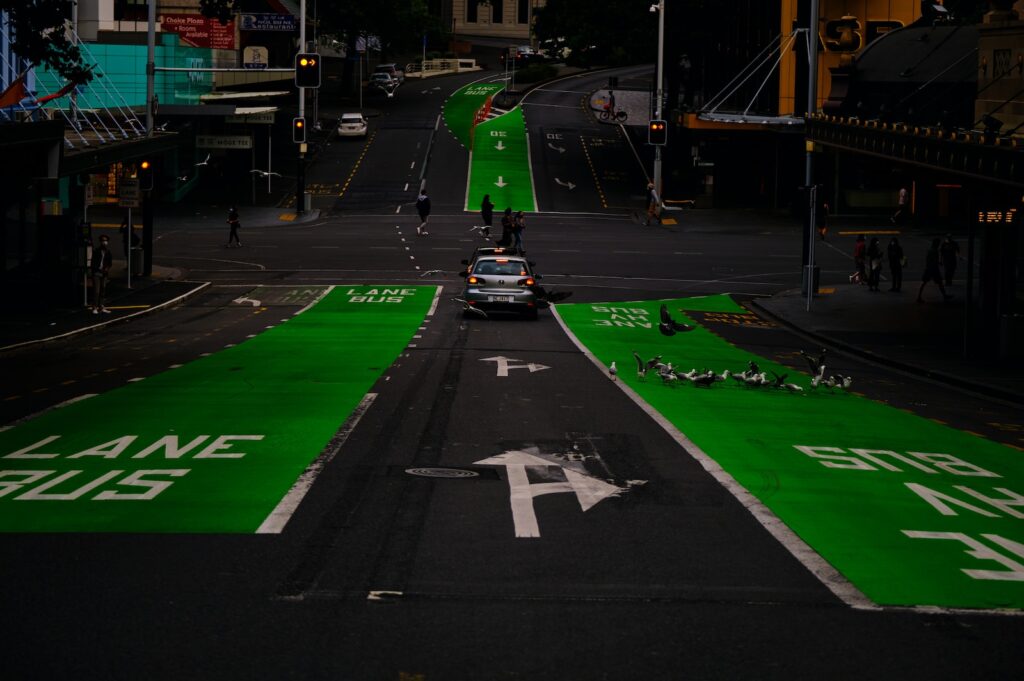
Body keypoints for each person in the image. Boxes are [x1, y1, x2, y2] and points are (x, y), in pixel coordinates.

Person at [917, 238, 953, 303]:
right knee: (938, 282)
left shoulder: (931, 250)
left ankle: (919, 296)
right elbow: (932, 261)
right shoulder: (934, 251)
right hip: (933, 269)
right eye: (938, 244)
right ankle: (944, 295)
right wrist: (936, 265)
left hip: (930, 269)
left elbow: (929, 260)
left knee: (926, 283)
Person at [91, 234, 113, 314]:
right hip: (97, 273)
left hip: (104, 273)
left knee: (103, 290)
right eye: (103, 240)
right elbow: (93, 263)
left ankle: (101, 306)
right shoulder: (96, 251)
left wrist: (106, 268)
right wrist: (96, 270)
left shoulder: (108, 252)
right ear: (100, 241)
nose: (105, 242)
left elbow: (110, 263)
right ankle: (94, 307)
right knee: (97, 291)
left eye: (106, 240)